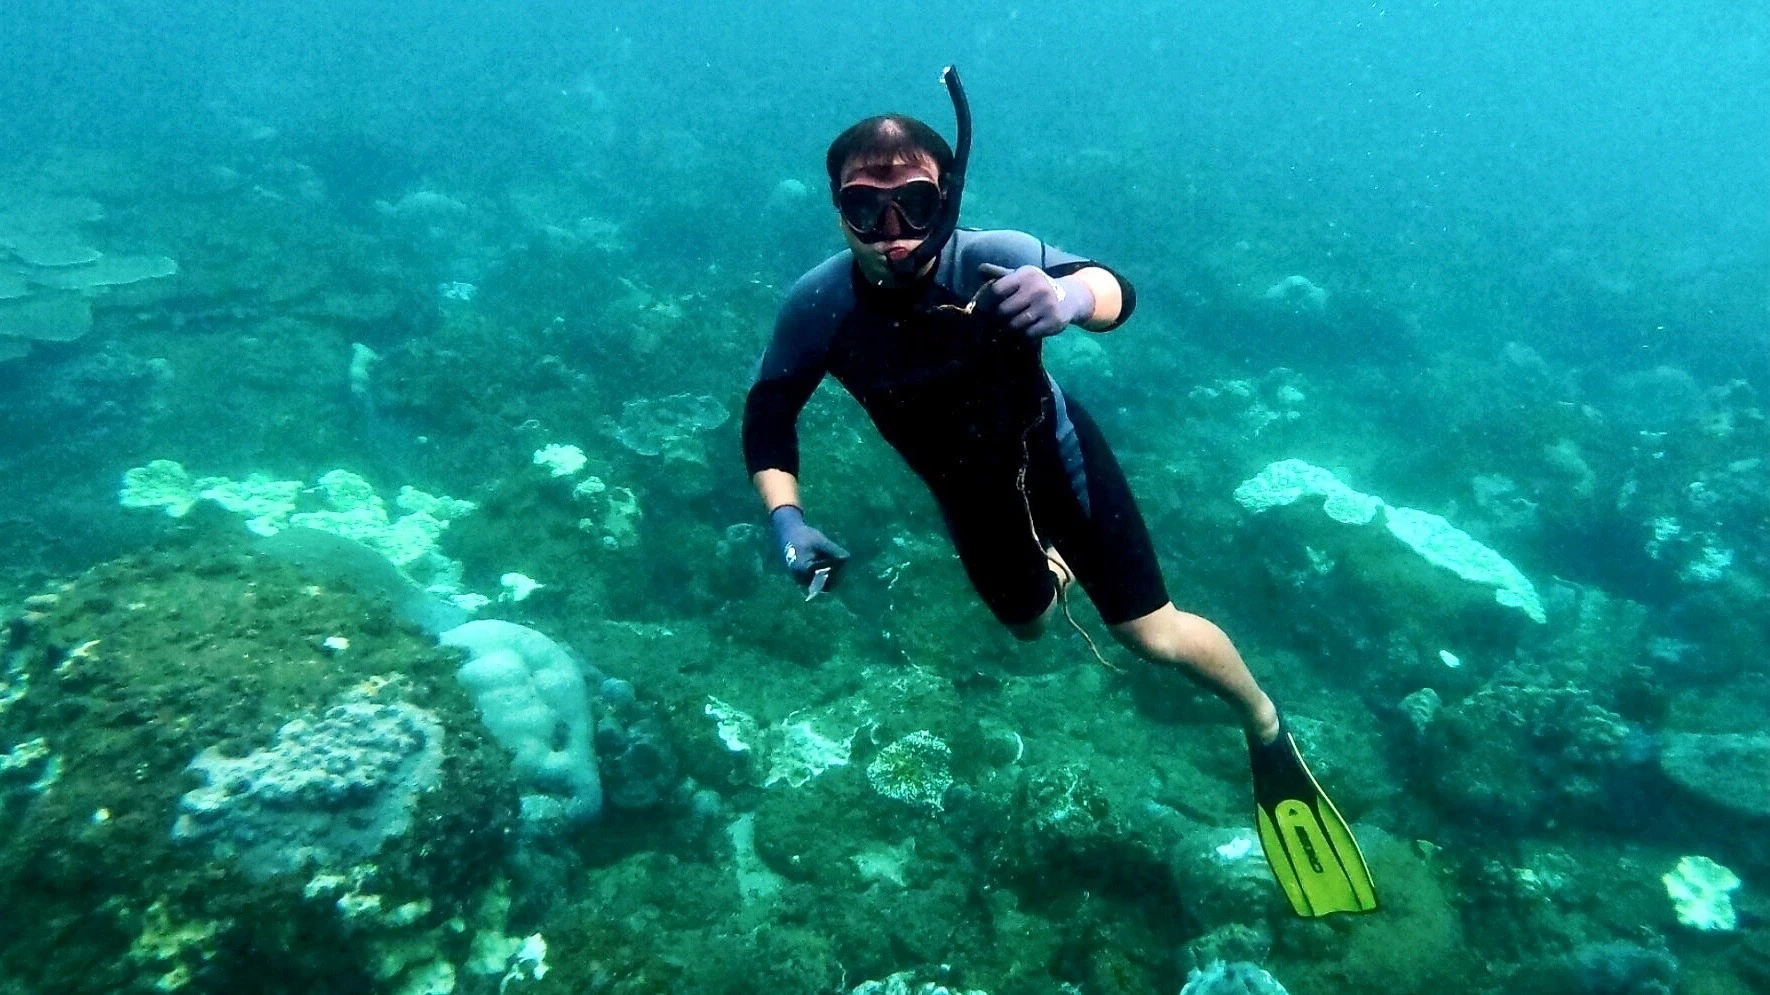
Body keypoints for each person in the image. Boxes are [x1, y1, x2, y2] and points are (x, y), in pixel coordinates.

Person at [740, 70, 1375, 917]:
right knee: (1031, 626)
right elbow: (769, 413)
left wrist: (1069, 293)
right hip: (971, 495)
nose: (892, 234)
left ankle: (1264, 722)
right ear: (837, 211)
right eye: (866, 210)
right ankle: (1050, 572)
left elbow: (1118, 292)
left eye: (915, 207)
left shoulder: (993, 258)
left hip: (1059, 461)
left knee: (1153, 635)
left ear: (949, 196)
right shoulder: (817, 307)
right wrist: (787, 518)